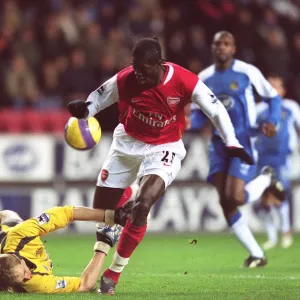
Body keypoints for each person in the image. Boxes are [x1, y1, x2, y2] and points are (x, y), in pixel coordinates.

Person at [67, 36, 253, 294]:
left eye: (143, 70)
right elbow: (98, 99)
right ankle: (128, 193)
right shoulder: (126, 78)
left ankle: (114, 271)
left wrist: (232, 141)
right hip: (126, 144)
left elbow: (216, 110)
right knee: (103, 210)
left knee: (143, 206)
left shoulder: (183, 80)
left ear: (159, 64)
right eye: (134, 67)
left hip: (163, 147)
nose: (137, 74)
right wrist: (83, 111)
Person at [189, 31, 283, 268]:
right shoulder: (204, 77)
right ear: (212, 48)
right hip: (218, 144)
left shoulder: (247, 71)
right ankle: (257, 254)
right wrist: (190, 125)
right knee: (225, 201)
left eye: (226, 43)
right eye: (217, 43)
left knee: (236, 196)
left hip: (243, 140)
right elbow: (199, 114)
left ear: (234, 48)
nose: (221, 47)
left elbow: (274, 98)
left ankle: (266, 179)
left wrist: (272, 121)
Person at [0, 197, 133, 293]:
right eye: (22, 279)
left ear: (18, 257)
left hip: (7, 231)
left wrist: (112, 216)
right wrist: (104, 243)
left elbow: (66, 212)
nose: (28, 276)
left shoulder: (21, 234)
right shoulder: (36, 284)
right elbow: (84, 285)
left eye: (24, 271)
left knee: (8, 214)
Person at [256, 75, 300, 250]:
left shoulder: (290, 107)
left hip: (281, 157)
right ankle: (271, 237)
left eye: (276, 86)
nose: (273, 89)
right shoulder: (259, 109)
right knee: (265, 198)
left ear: (283, 90)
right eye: (270, 86)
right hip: (262, 157)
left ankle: (286, 233)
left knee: (280, 194)